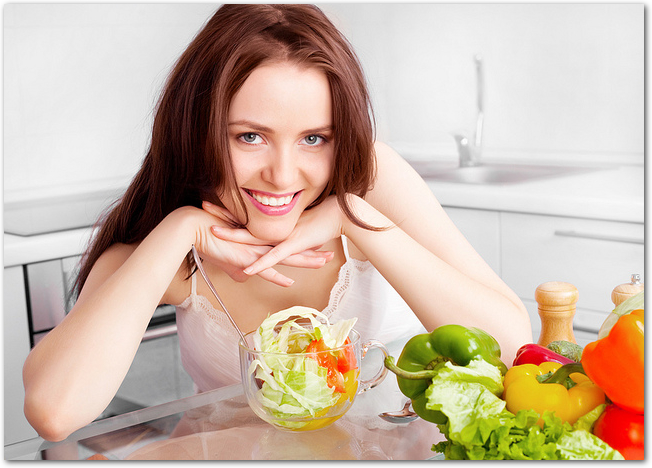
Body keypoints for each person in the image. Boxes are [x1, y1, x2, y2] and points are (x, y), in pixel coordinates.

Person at [22, 4, 532, 442]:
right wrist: (180, 228)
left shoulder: (370, 178)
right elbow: (53, 413)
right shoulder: (174, 249)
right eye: (249, 137)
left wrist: (356, 220)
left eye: (314, 139)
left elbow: (512, 350)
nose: (283, 175)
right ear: (194, 131)